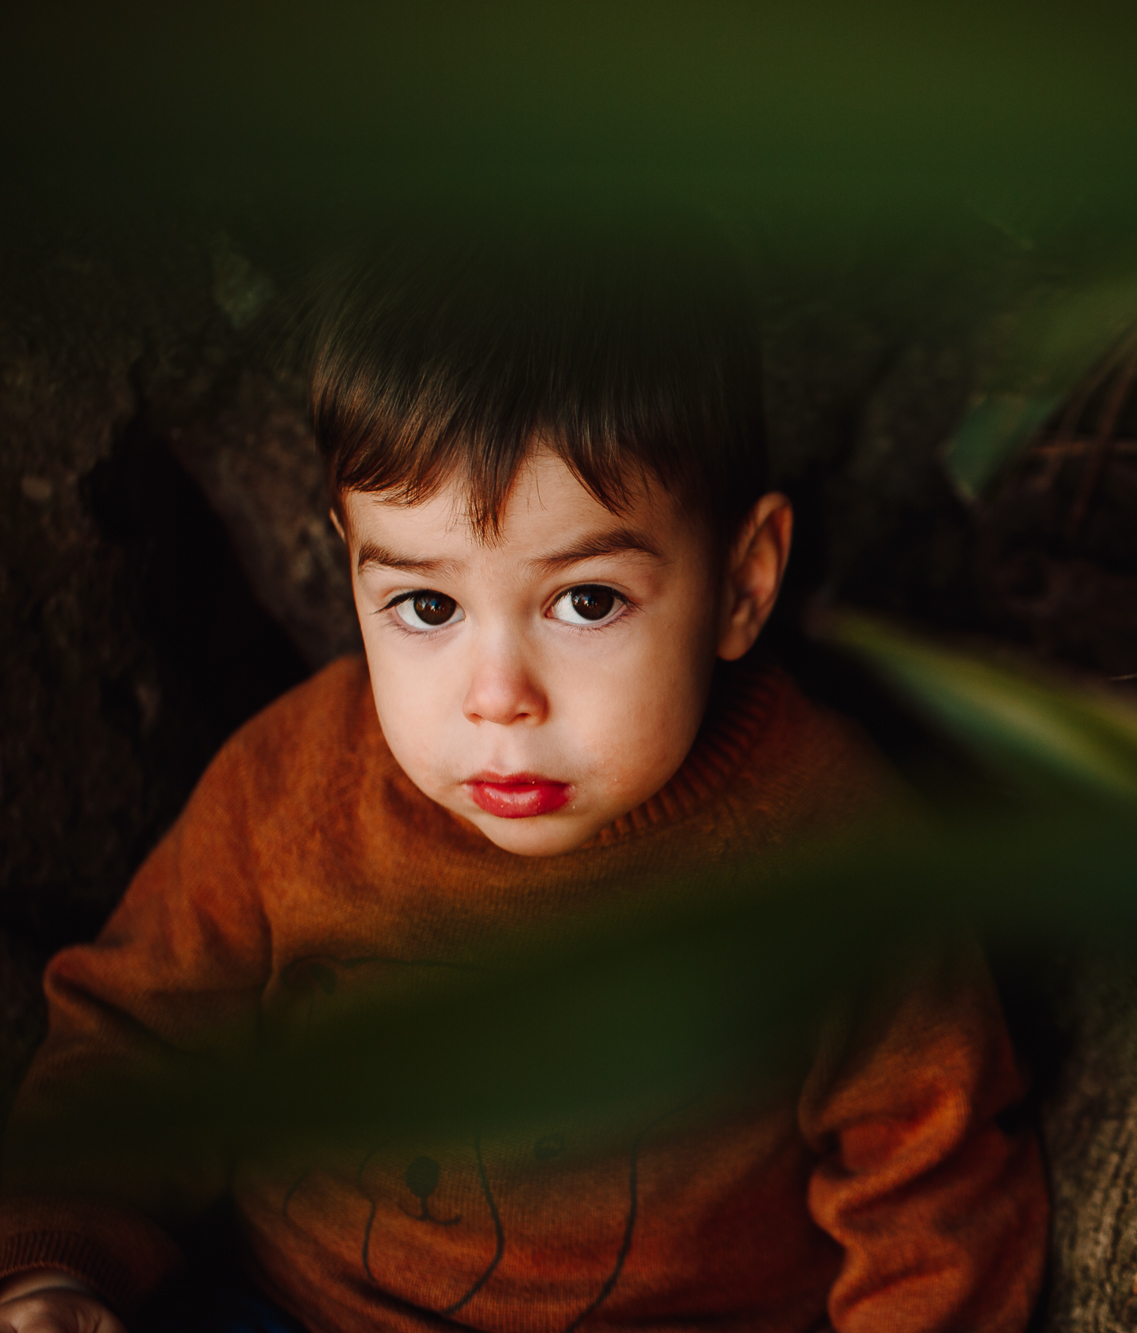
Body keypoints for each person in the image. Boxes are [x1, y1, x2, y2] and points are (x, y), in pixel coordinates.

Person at [0, 215, 1048, 1333]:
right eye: (427, 605)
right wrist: (54, 1268)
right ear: (352, 564)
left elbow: (933, 1190)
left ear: (743, 582)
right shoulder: (288, 789)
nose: (497, 694)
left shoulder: (827, 851)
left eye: (585, 600)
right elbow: (137, 1051)